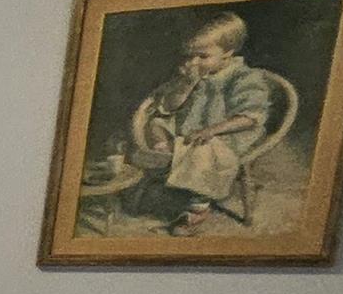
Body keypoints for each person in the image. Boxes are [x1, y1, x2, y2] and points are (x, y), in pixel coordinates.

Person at [124, 13, 291, 232]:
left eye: (202, 56)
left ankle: (198, 208)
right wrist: (187, 84)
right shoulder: (193, 73)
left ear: (228, 53)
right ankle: (169, 152)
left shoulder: (244, 78)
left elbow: (250, 117)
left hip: (227, 134)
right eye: (190, 56)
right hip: (189, 127)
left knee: (204, 150)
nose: (193, 62)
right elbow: (170, 106)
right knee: (156, 123)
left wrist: (212, 130)